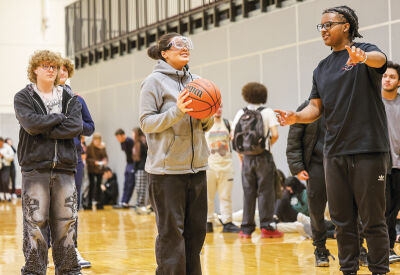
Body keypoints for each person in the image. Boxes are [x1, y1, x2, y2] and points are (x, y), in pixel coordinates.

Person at [275, 5, 390, 275]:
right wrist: (296, 117)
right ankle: (348, 270)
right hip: (333, 154)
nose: (323, 30)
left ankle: (379, 271)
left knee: (373, 221)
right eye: (321, 26)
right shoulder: (322, 68)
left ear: (346, 26)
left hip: (368, 151)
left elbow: (379, 60)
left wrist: (362, 58)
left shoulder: (365, 52)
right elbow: (315, 108)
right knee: (341, 221)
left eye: (329, 25)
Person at [139, 32, 213, 275]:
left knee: (196, 235)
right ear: (164, 53)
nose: (184, 47)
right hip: (166, 172)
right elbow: (146, 123)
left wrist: (207, 116)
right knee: (172, 236)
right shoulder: (153, 82)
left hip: (197, 168)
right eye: (178, 45)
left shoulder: (198, 80)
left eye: (187, 44)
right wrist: (178, 112)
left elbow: (204, 126)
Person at [14, 50, 82, 274]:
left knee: (67, 223)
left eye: (54, 66)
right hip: (35, 169)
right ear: (35, 69)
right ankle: (34, 270)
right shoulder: (23, 97)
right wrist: (58, 118)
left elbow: (75, 127)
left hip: (65, 169)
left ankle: (69, 270)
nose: (51, 69)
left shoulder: (70, 98)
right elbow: (31, 124)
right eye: (45, 66)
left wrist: (45, 126)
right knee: (35, 224)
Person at [286, 100, 334, 266]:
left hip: (341, 164)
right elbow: (294, 140)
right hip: (316, 166)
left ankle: (357, 249)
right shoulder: (306, 108)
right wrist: (297, 167)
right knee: (316, 211)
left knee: (349, 210)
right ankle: (320, 250)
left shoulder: (344, 103)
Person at [232, 82, 282, 238]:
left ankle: (246, 229)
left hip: (246, 158)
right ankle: (266, 227)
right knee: (265, 192)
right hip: (263, 157)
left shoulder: (240, 113)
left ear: (246, 95)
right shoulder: (267, 112)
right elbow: (275, 134)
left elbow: (233, 138)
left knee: (248, 192)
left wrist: (242, 157)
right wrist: (266, 146)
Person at [59, 57, 94, 268]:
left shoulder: (77, 100)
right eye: (58, 69)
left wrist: (73, 122)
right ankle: (45, 252)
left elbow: (90, 127)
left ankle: (72, 249)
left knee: (72, 208)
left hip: (73, 160)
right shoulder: (42, 99)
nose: (62, 73)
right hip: (49, 160)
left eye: (65, 70)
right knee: (46, 210)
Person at [205, 104, 240, 233]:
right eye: (216, 107)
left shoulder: (228, 124)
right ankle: (208, 222)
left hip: (226, 166)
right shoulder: (206, 125)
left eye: (220, 107)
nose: (218, 109)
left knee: (226, 196)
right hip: (210, 166)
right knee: (208, 197)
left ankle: (227, 222)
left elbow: (236, 141)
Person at [381, 61, 400, 264]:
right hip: (379, 165)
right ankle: (383, 249)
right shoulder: (374, 103)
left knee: (394, 209)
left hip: (398, 165)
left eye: (392, 77)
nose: (387, 79)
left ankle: (389, 248)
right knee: (383, 209)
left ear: (399, 82)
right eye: (385, 76)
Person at [86, 133, 108, 210]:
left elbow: (105, 157)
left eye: (99, 141)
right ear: (93, 140)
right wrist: (94, 162)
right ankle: (89, 204)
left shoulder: (102, 147)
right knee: (92, 185)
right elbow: (87, 159)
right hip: (91, 169)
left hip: (100, 170)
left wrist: (104, 161)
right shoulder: (89, 147)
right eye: (96, 140)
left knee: (99, 186)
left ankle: (99, 204)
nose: (97, 142)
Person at [114, 129, 135, 208]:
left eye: (118, 137)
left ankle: (126, 202)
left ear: (123, 135)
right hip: (128, 164)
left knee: (130, 183)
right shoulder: (122, 142)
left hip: (133, 164)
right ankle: (122, 201)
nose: (118, 139)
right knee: (126, 183)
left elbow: (135, 153)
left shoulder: (129, 141)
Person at [132, 127, 150, 214]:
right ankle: (139, 205)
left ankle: (140, 206)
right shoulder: (140, 142)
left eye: (133, 133)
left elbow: (137, 157)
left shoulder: (140, 143)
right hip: (140, 168)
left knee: (141, 188)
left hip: (142, 168)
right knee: (140, 188)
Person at [0, 137, 15, 202]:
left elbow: (11, 157)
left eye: (1, 143)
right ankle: (1, 196)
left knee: (5, 181)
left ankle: (7, 195)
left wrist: (3, 156)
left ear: (3, 142)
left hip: (6, 166)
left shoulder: (7, 147)